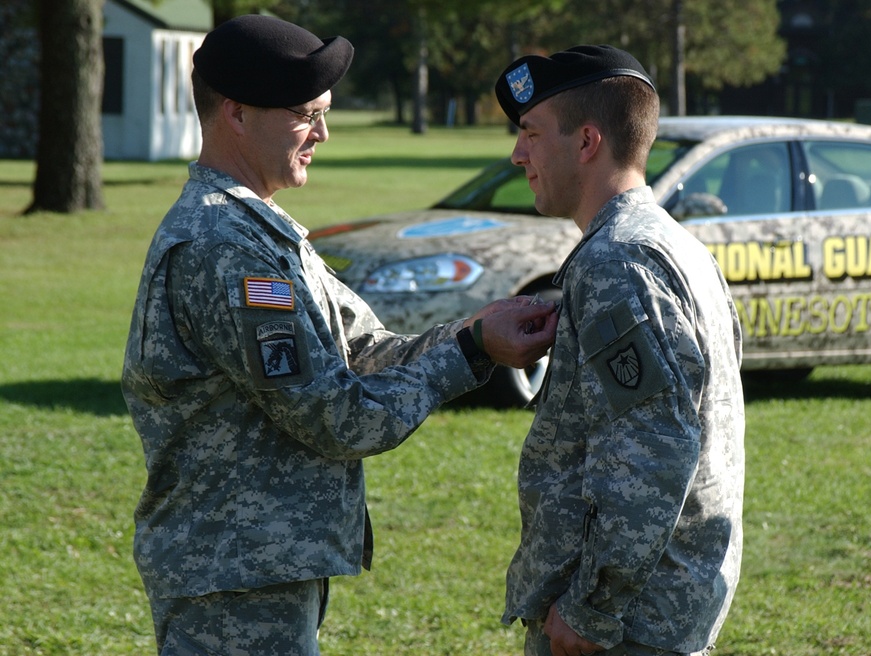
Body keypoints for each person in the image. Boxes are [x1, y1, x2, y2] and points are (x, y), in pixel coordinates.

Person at [121, 14, 556, 655]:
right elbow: (338, 418)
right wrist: (471, 353)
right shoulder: (223, 247)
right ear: (237, 114)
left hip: (258, 569)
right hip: (232, 582)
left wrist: (476, 329)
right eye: (305, 114)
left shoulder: (260, 229)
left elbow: (368, 352)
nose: (322, 133)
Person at [494, 45, 746, 656]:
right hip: (660, 611)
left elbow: (651, 452)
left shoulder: (618, 260)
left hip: (625, 628)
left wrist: (590, 608)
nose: (517, 153)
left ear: (586, 142)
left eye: (530, 132)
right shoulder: (671, 244)